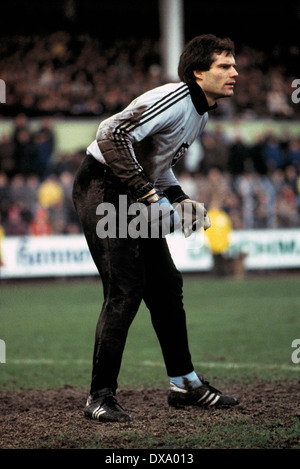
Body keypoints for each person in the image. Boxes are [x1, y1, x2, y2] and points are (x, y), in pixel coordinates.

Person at [72, 34, 239, 422]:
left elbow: (156, 163)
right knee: (125, 290)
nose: (235, 72)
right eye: (224, 66)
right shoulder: (176, 98)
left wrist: (179, 198)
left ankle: (185, 384)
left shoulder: (200, 113)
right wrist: (148, 194)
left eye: (233, 65)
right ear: (198, 72)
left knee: (166, 286)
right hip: (102, 188)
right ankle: (99, 396)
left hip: (129, 191)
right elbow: (110, 134)